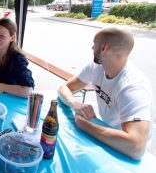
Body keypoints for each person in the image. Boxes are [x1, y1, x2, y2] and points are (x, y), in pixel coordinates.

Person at [58, 27, 154, 160]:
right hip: (105, 134)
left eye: (94, 44)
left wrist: (85, 125)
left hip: (125, 154)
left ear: (104, 48)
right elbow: (64, 88)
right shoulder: (96, 67)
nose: (92, 48)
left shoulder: (132, 87)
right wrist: (74, 103)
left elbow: (136, 147)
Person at [0, 18, 34, 98]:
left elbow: (28, 91)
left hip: (10, 104)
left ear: (12, 38)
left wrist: (1, 86)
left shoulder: (18, 59)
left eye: (2, 36)